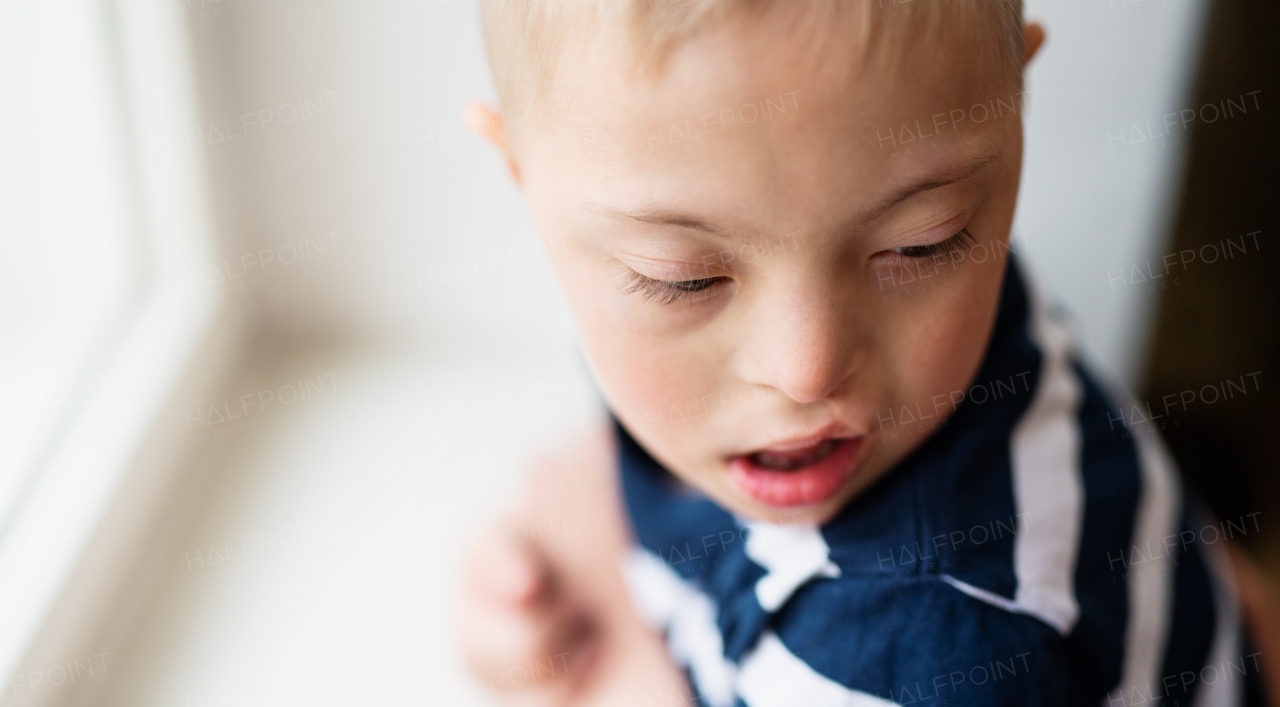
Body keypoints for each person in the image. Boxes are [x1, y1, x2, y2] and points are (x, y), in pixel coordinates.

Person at [456, 1, 1270, 704]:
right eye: (686, 280)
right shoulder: (893, 209)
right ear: (523, 180)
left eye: (921, 247)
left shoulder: (942, 651)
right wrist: (547, 588)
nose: (806, 368)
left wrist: (606, 662)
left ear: (1014, 105)